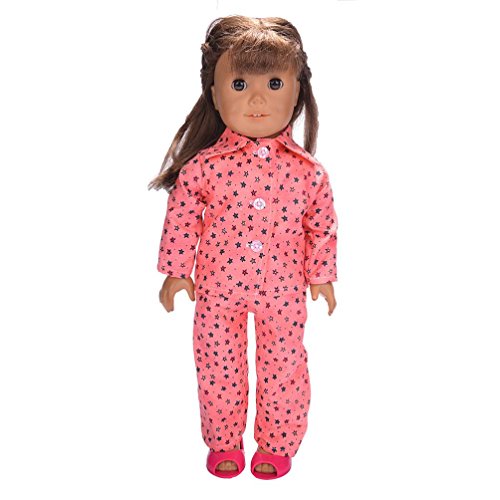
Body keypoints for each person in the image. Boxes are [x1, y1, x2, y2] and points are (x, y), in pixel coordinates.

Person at [148, 15, 338, 480]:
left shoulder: (308, 173)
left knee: (284, 365)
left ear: (298, 92)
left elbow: (322, 226)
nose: (257, 99)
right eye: (239, 84)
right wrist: (176, 271)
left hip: (284, 289)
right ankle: (224, 440)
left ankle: (277, 441)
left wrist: (322, 275)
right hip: (217, 288)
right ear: (215, 95)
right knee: (218, 366)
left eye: (274, 83)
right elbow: (182, 217)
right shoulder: (204, 168)